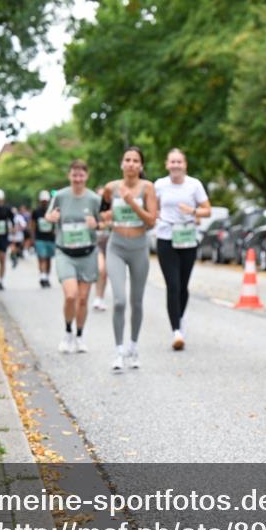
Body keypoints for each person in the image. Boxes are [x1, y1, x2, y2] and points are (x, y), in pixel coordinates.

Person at [102, 146, 158, 372]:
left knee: (136, 301)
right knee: (118, 301)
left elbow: (151, 221)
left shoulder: (148, 188)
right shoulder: (110, 188)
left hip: (138, 247)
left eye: (136, 160)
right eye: (128, 160)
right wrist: (104, 218)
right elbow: (102, 213)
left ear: (141, 166)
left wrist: (132, 202)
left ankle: (133, 346)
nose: (131, 164)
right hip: (116, 246)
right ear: (121, 164)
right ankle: (118, 351)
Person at [154, 148, 211, 350]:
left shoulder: (194, 185)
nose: (176, 165)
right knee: (173, 284)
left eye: (179, 162)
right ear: (167, 164)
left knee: (184, 285)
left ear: (185, 164)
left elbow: (207, 209)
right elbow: (153, 207)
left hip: (187, 238)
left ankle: (179, 317)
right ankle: (176, 331)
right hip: (166, 238)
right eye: (172, 162)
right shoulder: (159, 185)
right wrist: (156, 215)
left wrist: (193, 211)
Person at [46, 160, 102, 354]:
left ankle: (79, 336)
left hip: (87, 253)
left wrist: (96, 224)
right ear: (69, 176)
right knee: (71, 295)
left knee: (83, 299)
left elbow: (103, 222)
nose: (78, 179)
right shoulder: (60, 196)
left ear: (86, 176)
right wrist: (51, 218)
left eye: (81, 175)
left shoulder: (94, 199)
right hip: (65, 252)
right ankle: (68, 332)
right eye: (74, 175)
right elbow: (49, 215)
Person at [91, 185, 110, 312]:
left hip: (111, 244)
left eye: (103, 195)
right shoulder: (91, 211)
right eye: (99, 195)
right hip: (96, 244)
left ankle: (100, 297)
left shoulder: (113, 210)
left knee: (105, 273)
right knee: (101, 269)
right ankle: (97, 297)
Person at [31, 190, 56, 288]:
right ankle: (42, 276)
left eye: (46, 201)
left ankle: (47, 276)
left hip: (50, 239)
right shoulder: (36, 211)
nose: (44, 202)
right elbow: (32, 224)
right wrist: (33, 238)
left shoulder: (53, 211)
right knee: (42, 257)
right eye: (43, 201)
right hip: (39, 238)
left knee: (48, 258)